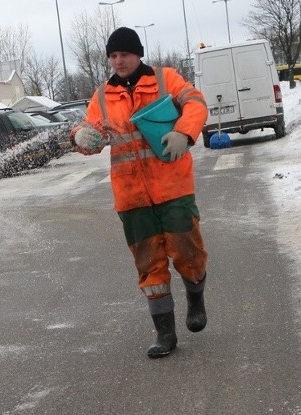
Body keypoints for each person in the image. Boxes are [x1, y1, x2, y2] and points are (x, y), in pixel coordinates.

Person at [70, 27, 209, 358]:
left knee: (188, 253)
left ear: (138, 54)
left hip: (173, 187)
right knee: (149, 264)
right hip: (131, 195)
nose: (118, 61)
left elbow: (196, 103)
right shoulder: (102, 96)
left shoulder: (165, 80)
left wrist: (184, 134)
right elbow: (90, 130)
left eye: (124, 55)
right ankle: (165, 333)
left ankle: (195, 297)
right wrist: (81, 138)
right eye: (113, 56)